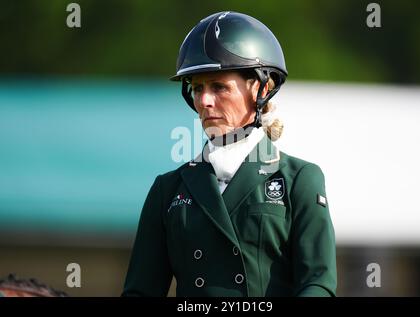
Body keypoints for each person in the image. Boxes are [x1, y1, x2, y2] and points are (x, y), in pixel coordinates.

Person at [122, 11, 337, 297]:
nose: (205, 101)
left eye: (219, 87)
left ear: (259, 88)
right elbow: (141, 293)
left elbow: (318, 284)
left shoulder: (300, 179)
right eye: (198, 89)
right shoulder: (167, 189)